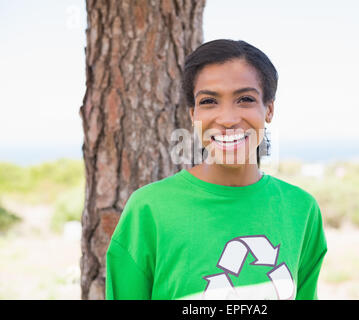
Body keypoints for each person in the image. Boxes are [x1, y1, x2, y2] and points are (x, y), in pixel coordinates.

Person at [105, 39, 328, 300]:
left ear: (268, 109)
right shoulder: (148, 209)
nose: (228, 119)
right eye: (209, 101)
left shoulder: (301, 209)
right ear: (193, 114)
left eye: (245, 99)